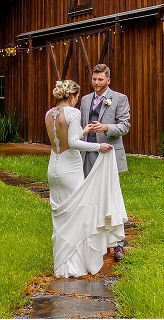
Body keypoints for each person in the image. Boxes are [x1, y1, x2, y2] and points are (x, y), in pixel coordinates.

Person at [45, 79, 128, 277]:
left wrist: (84, 131)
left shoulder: (50, 113)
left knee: (61, 216)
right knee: (76, 215)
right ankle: (73, 265)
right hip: (71, 169)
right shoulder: (73, 112)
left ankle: (61, 263)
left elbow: (63, 140)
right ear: (72, 96)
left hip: (54, 168)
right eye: (76, 97)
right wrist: (98, 147)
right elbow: (73, 143)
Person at [79, 63, 130, 261]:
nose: (97, 83)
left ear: (108, 80)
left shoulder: (119, 99)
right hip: (89, 154)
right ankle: (97, 242)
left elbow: (125, 126)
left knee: (111, 197)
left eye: (100, 80)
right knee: (92, 198)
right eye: (94, 79)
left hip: (109, 155)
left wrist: (106, 127)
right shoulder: (84, 100)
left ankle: (117, 244)